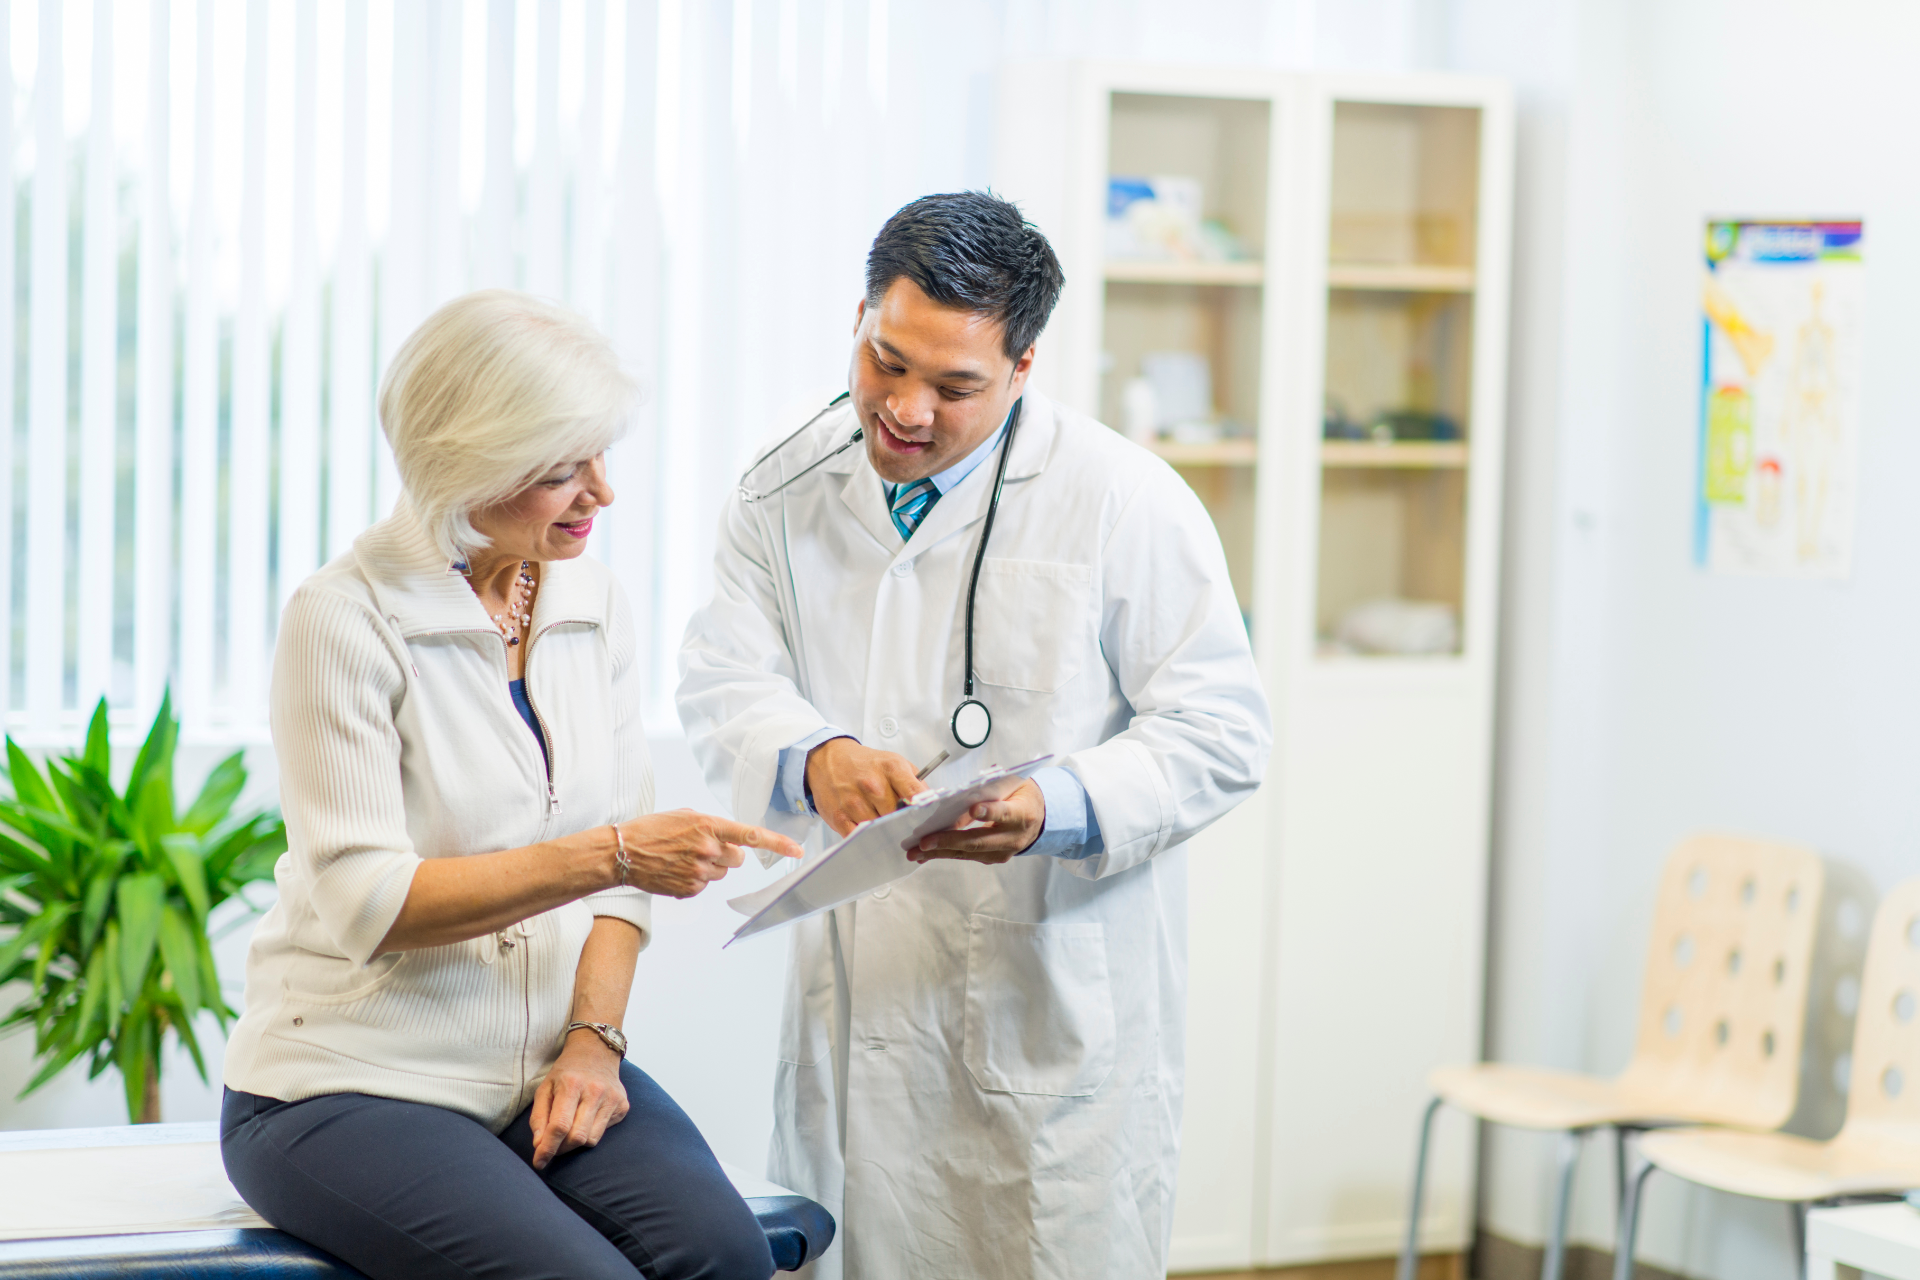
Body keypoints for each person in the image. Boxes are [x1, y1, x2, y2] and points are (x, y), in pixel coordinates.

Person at [677, 193, 1272, 1278]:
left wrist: (1062, 804)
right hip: (856, 1000)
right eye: (885, 359)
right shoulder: (782, 488)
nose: (904, 409)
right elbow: (722, 669)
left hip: (1046, 999)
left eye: (954, 387)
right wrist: (813, 752)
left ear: (1024, 365)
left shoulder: (1121, 499)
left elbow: (1223, 726)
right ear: (858, 314)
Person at [220, 290, 804, 1280]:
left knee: (725, 1259)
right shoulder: (344, 618)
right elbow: (371, 902)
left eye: (601, 456)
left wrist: (594, 1042)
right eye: (561, 469)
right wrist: (612, 851)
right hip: (348, 1083)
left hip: (544, 1062)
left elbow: (624, 877)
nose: (601, 493)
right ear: (466, 463)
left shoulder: (590, 600)